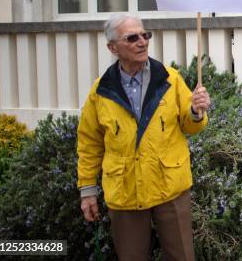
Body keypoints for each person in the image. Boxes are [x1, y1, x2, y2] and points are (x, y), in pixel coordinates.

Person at [77, 13, 211, 260]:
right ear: (113, 47)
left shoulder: (170, 78)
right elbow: (89, 142)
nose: (142, 41)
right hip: (124, 191)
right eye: (132, 37)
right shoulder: (101, 90)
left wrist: (195, 111)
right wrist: (88, 190)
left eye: (145, 35)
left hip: (170, 187)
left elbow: (191, 125)